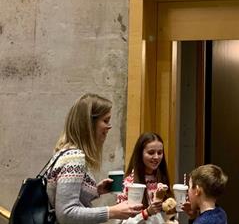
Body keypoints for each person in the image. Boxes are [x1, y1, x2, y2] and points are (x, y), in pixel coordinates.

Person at [46, 93, 143, 224]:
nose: (109, 127)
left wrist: (96, 191)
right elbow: (66, 213)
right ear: (89, 124)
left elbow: (67, 198)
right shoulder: (74, 158)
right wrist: (112, 211)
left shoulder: (65, 152)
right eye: (105, 121)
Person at [117, 132, 172, 223]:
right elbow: (122, 222)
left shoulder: (161, 181)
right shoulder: (128, 184)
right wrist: (147, 212)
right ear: (140, 154)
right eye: (151, 153)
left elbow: (168, 216)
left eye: (160, 153)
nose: (156, 157)